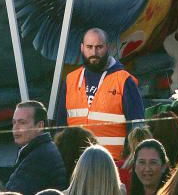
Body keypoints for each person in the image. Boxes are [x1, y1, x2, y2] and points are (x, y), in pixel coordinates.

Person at [54, 27, 144, 161]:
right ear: (82, 48)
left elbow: (137, 127)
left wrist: (130, 158)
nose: (94, 52)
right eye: (89, 47)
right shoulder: (70, 80)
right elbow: (60, 127)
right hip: (76, 163)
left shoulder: (124, 80)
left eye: (99, 47)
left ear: (107, 47)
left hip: (112, 163)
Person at [5, 100, 68, 194]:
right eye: (14, 122)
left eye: (22, 122)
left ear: (39, 126)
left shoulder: (40, 157)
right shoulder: (41, 149)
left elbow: (13, 192)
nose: (15, 128)